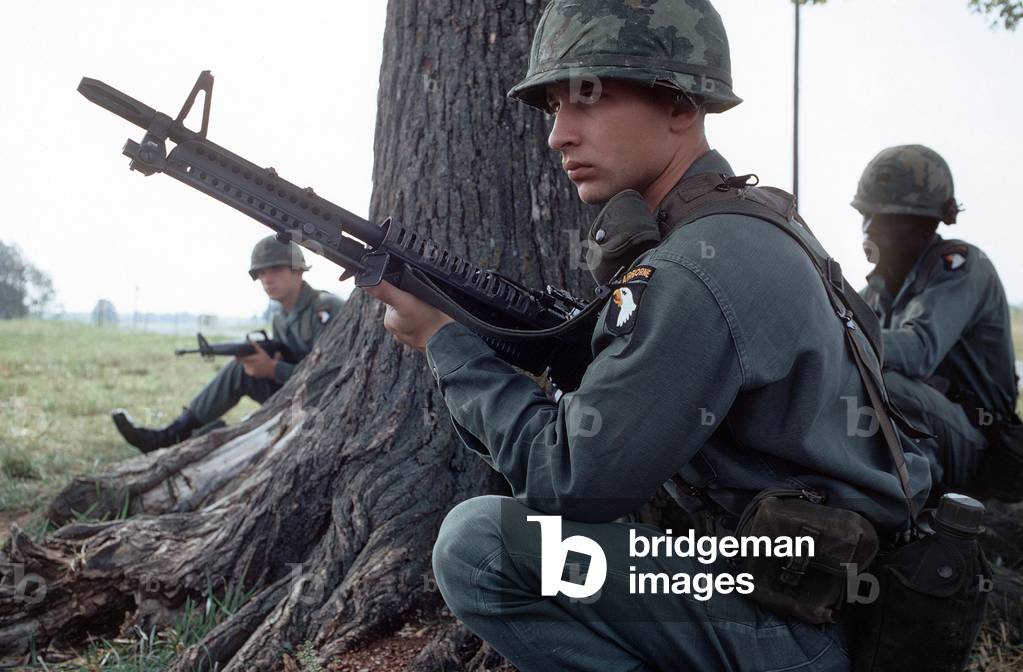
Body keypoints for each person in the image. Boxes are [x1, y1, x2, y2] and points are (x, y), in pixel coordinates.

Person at [366, 1, 932, 670]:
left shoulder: (696, 265)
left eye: (589, 98)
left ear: (680, 106)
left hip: (796, 626)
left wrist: (446, 343)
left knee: (480, 546)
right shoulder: (750, 220)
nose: (558, 135)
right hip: (810, 591)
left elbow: (572, 480)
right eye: (553, 108)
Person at [854, 145, 1019, 495]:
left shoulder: (959, 267)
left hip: (981, 442)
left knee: (887, 387)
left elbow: (917, 350)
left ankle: (912, 506)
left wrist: (839, 335)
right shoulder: (878, 288)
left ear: (924, 224)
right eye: (865, 214)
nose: (869, 228)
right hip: (936, 428)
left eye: (885, 218)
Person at [112, 235, 343, 453]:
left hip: (324, 402)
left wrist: (272, 369)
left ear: (298, 271)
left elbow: (330, 375)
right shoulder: (280, 317)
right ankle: (175, 434)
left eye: (275, 269)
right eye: (260, 273)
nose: (266, 279)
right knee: (240, 368)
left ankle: (177, 435)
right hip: (295, 393)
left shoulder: (325, 309)